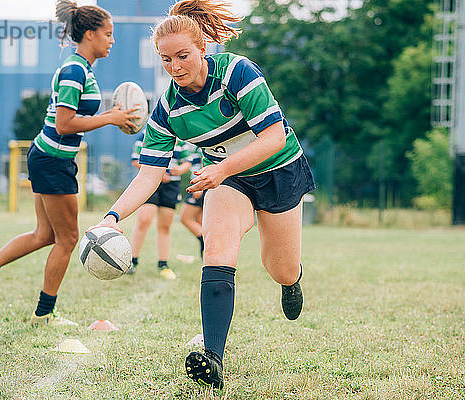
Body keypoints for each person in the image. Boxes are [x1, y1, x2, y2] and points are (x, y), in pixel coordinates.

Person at [92, 0, 315, 389]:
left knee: (278, 266)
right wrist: (111, 218)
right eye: (166, 59)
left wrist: (222, 167)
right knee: (217, 246)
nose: (175, 67)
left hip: (279, 171)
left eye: (183, 56)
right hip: (229, 182)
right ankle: (213, 357)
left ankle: (291, 279)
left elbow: (274, 137)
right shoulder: (167, 110)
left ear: (203, 49)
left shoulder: (237, 73)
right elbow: (149, 175)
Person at [0, 0, 138, 326]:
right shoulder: (74, 71)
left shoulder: (81, 68)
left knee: (44, 235)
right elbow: (65, 124)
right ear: (90, 34)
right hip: (53, 161)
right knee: (67, 239)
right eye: (108, 34)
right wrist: (110, 118)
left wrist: (112, 118)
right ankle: (44, 315)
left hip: (48, 157)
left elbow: (71, 120)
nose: (112, 41)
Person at [127, 133, 192, 279]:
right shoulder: (146, 135)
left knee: (165, 226)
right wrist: (158, 172)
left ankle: (163, 264)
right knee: (144, 220)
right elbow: (135, 160)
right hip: (149, 182)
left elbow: (187, 162)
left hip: (172, 186)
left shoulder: (181, 139)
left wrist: (180, 169)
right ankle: (132, 261)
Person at [179, 143, 205, 258]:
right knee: (201, 221)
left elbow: (204, 162)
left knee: (185, 218)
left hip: (200, 185)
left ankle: (205, 240)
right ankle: (205, 253)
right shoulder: (187, 143)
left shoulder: (199, 144)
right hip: (200, 185)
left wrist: (200, 184)